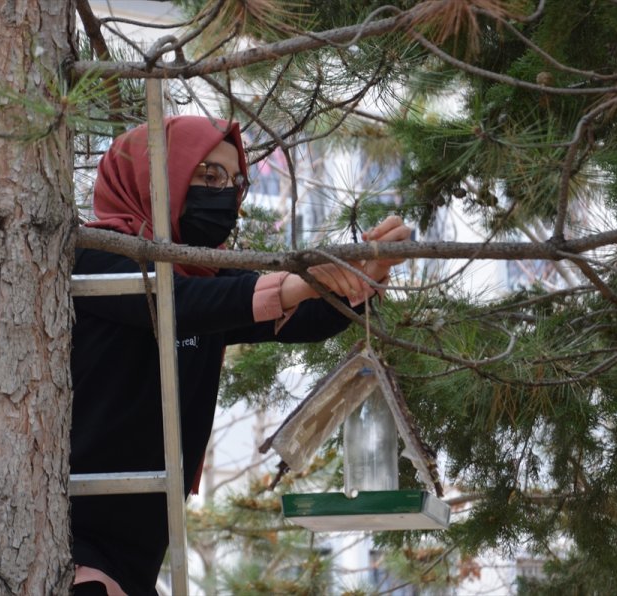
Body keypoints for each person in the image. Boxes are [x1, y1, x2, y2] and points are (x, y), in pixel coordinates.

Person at [70, 115, 410, 595]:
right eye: (208, 176)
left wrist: (365, 279)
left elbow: (306, 319)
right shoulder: (93, 262)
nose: (225, 194)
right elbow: (174, 305)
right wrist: (292, 285)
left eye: (235, 182)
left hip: (140, 551)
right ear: (155, 176)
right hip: (73, 540)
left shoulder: (203, 279)